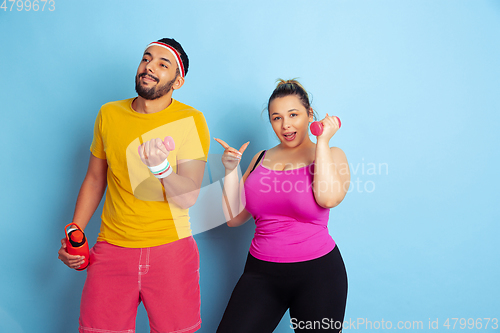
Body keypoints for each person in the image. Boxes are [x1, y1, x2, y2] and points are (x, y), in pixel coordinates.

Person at [57, 38, 210, 333]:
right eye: (146, 59)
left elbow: (189, 195)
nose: (149, 66)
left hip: (171, 251)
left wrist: (162, 169)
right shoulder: (109, 115)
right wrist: (75, 231)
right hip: (112, 249)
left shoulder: (191, 119)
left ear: (177, 81)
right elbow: (94, 178)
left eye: (162, 65)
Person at [214, 79, 350, 332]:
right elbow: (234, 218)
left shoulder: (332, 155)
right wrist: (231, 170)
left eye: (293, 115)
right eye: (276, 118)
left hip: (318, 274)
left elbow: (327, 198)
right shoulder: (260, 159)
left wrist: (321, 142)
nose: (285, 124)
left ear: (310, 115)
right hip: (261, 272)